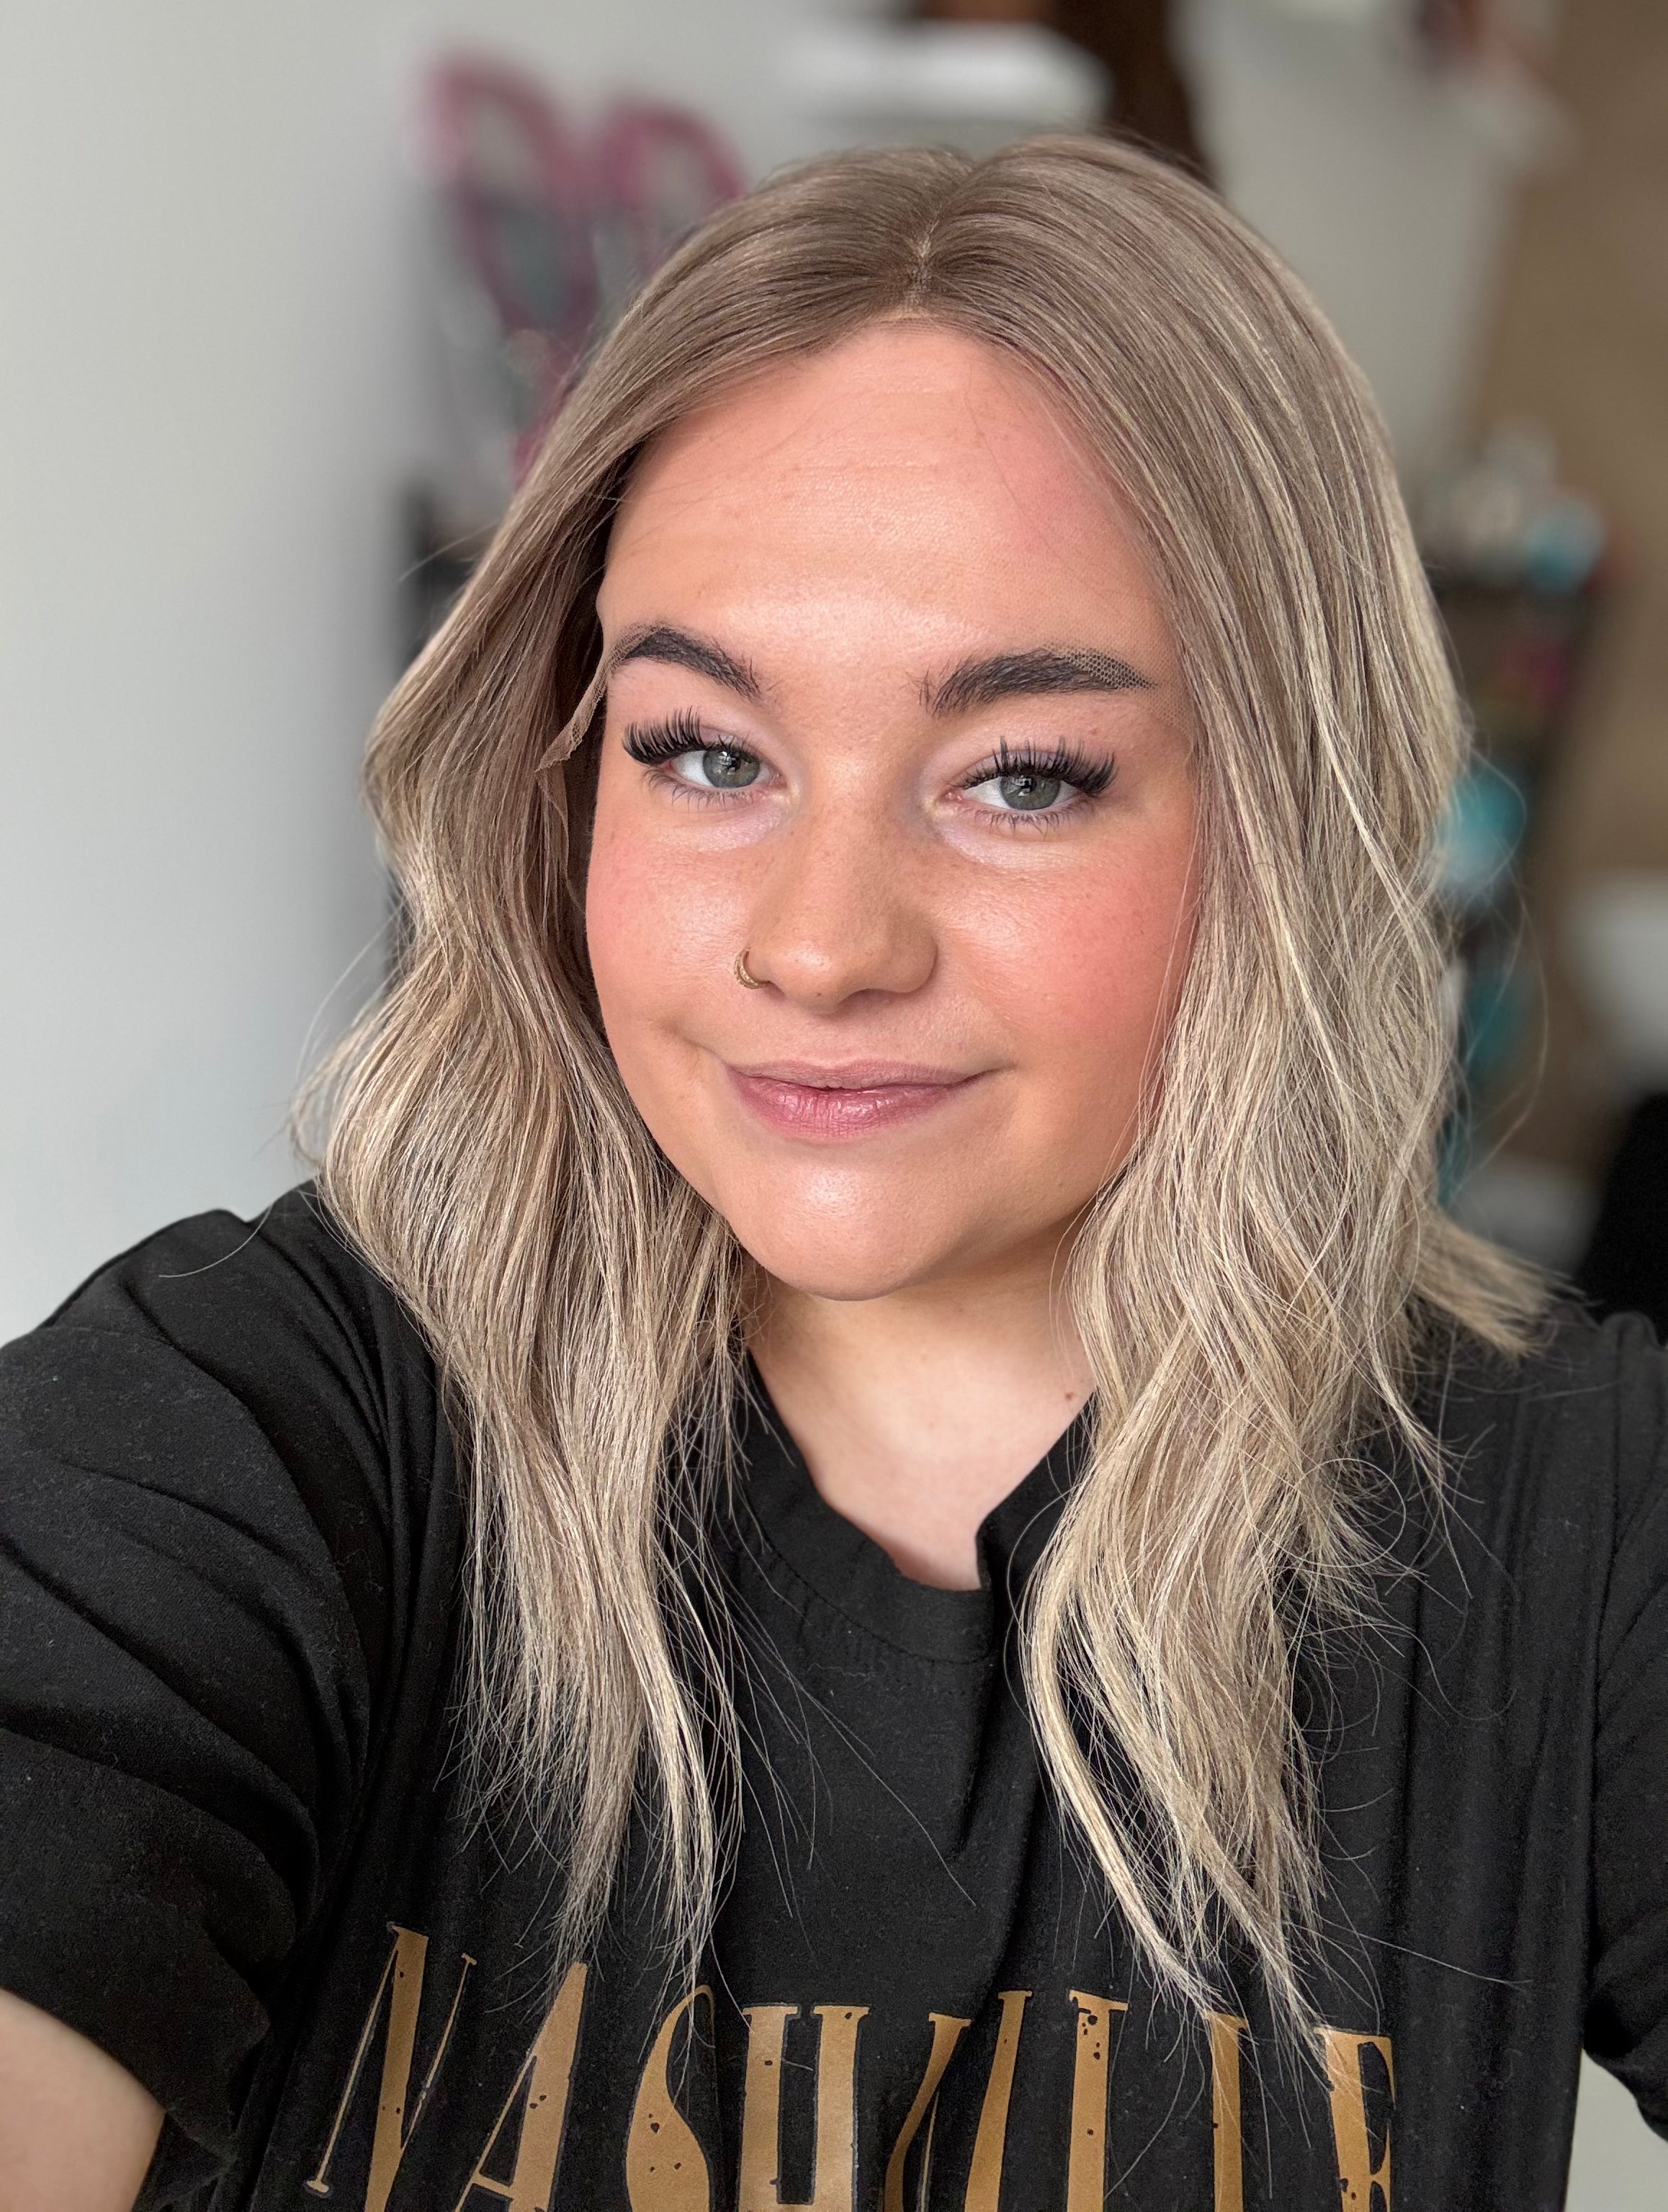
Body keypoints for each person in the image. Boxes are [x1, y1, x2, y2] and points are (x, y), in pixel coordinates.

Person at [1, 135, 1664, 2212]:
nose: (817, 945)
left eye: (1022, 777)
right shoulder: (251, 1436)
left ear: (1286, 820)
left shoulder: (1581, 1530)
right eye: (707, 752)